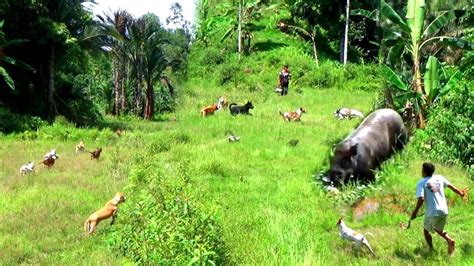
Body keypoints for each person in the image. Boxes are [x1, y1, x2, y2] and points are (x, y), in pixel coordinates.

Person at [410, 162, 467, 255]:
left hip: (433, 212)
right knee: (437, 229)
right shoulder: (440, 178)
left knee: (426, 230)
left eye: (422, 169)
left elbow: (421, 198)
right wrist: (460, 192)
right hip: (444, 210)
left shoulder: (421, 182)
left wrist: (414, 212)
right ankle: (449, 240)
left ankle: (432, 249)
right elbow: (451, 187)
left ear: (424, 171)